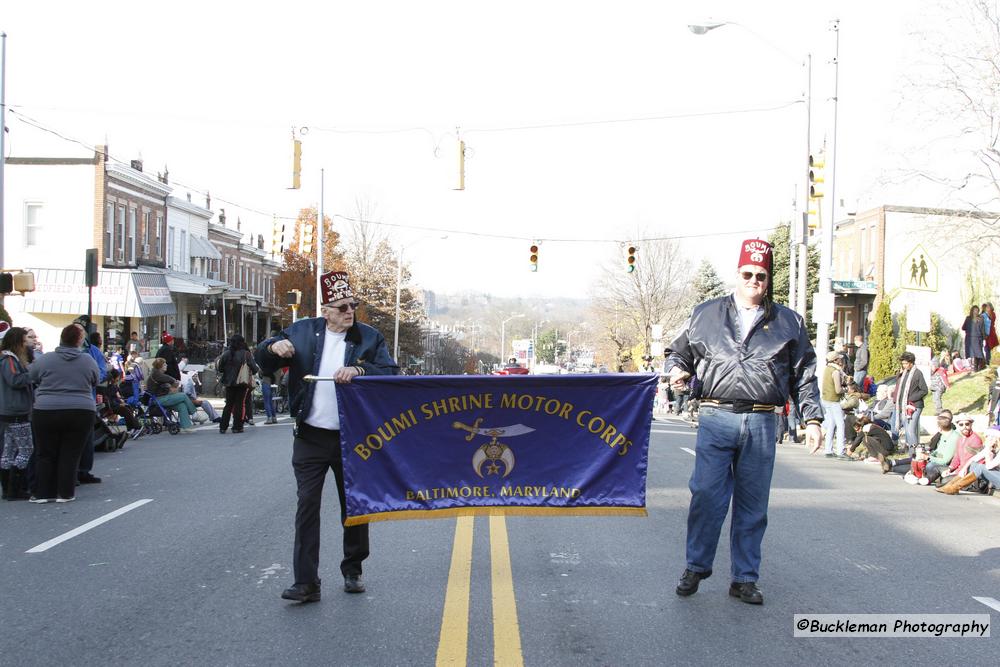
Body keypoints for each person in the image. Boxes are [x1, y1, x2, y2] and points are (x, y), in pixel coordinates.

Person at [665, 239, 823, 606]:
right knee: (706, 494)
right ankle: (696, 566)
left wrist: (812, 418)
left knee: (753, 505)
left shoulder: (789, 321)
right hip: (715, 415)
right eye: (748, 274)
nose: (754, 280)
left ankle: (744, 578)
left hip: (763, 422)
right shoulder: (706, 313)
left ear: (768, 280)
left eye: (761, 275)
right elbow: (679, 351)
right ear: (737, 274)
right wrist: (676, 369)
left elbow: (805, 374)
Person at [257, 271, 399, 604]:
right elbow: (262, 357)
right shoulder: (303, 332)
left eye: (353, 306)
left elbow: (390, 371)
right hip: (310, 436)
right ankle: (306, 581)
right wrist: (272, 346)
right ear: (326, 310)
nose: (350, 312)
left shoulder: (368, 337)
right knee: (306, 504)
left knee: (355, 504)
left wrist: (360, 370)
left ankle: (353, 569)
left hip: (354, 438)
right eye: (342, 307)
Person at [27, 324, 99, 503]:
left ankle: (43, 493)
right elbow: (95, 379)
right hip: (80, 409)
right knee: (71, 452)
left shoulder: (46, 359)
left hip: (46, 409)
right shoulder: (87, 360)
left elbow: (32, 376)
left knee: (45, 452)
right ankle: (65, 493)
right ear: (79, 341)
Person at [0, 327, 36, 500]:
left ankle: (7, 488)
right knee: (26, 449)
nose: (26, 344)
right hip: (16, 409)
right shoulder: (10, 360)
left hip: (8, 409)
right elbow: (14, 380)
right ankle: (15, 488)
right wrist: (31, 373)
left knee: (9, 449)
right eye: (23, 341)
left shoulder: (6, 358)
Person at [73, 315, 107, 485]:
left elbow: (101, 372)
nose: (78, 335)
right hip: (70, 400)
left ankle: (84, 470)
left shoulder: (93, 351)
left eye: (81, 331)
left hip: (88, 397)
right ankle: (71, 473)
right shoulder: (60, 351)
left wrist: (91, 379)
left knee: (86, 437)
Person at [938, 425, 998, 494]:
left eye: (989, 437)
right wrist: (964, 469)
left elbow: (988, 467)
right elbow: (973, 459)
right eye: (986, 437)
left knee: (981, 467)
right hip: (994, 477)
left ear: (996, 438)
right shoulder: (990, 449)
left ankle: (955, 487)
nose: (986, 439)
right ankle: (950, 485)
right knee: (973, 464)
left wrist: (988, 454)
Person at [217, 334, 258, 434]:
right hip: (241, 383)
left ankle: (223, 427)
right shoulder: (246, 354)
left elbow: (220, 368)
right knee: (239, 404)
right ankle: (237, 426)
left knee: (228, 405)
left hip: (228, 383)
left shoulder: (226, 354)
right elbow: (254, 368)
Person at [146, 358, 199, 433]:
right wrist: (175, 381)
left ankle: (186, 427)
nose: (166, 365)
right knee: (183, 396)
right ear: (160, 366)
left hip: (163, 398)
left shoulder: (157, 374)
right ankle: (194, 413)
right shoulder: (156, 374)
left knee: (182, 405)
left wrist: (173, 383)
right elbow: (170, 379)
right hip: (159, 399)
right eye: (164, 364)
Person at [893, 352, 928, 448]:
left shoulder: (917, 373)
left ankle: (916, 452)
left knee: (910, 430)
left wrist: (911, 398)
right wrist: (899, 374)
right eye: (903, 364)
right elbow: (899, 387)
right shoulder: (904, 373)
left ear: (911, 363)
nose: (904, 366)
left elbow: (924, 390)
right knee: (907, 429)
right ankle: (910, 449)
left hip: (915, 405)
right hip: (904, 406)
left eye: (906, 363)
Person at [819, 351, 848, 458]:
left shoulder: (827, 369)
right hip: (834, 400)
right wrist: (846, 389)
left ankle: (828, 449)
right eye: (839, 358)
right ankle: (841, 451)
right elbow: (838, 389)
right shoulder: (835, 371)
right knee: (841, 425)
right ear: (835, 360)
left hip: (825, 399)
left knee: (831, 424)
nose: (841, 360)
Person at [961, 306, 986, 372]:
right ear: (972, 311)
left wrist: (984, 339)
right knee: (973, 354)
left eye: (977, 310)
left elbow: (983, 329)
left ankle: (979, 366)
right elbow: (963, 327)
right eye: (974, 310)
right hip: (970, 339)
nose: (976, 312)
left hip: (978, 338)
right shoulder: (968, 318)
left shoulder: (981, 319)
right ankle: (975, 368)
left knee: (979, 353)